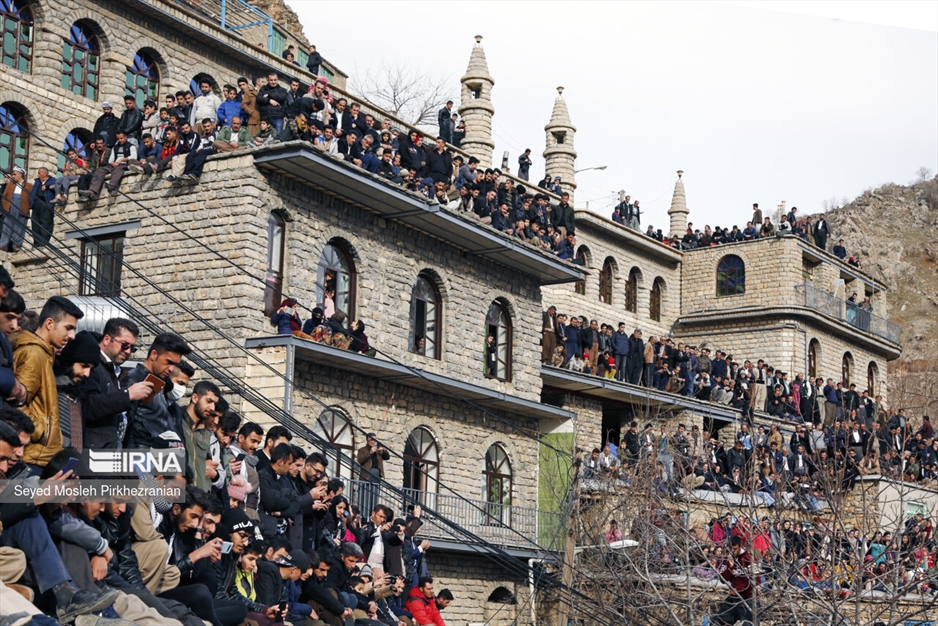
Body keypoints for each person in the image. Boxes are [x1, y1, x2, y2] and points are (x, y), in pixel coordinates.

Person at [11, 296, 83, 472]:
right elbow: (16, 403)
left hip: (38, 456)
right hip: (30, 457)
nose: (72, 336)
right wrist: (41, 431)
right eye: (68, 328)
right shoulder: (34, 353)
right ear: (50, 324)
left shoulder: (45, 355)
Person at [122, 332, 192, 449]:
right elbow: (126, 427)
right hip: (139, 458)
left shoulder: (161, 382)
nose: (171, 369)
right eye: (169, 362)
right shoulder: (134, 380)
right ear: (154, 355)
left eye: (175, 364)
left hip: (158, 458)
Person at [1, 166, 32, 252]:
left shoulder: (29, 186)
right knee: (7, 225)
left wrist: (28, 207)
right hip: (11, 205)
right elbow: (4, 197)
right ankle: (3, 244)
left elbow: (31, 199)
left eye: (15, 174)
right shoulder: (10, 185)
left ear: (20, 175)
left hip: (22, 206)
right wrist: (5, 206)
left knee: (20, 226)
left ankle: (16, 245)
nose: (13, 176)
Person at [28, 166, 56, 247]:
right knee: (35, 223)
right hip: (36, 204)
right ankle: (36, 243)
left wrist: (47, 186)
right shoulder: (37, 182)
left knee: (46, 223)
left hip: (46, 204)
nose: (38, 174)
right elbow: (33, 192)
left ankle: (44, 242)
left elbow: (56, 183)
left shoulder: (52, 180)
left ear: (45, 174)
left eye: (40, 173)